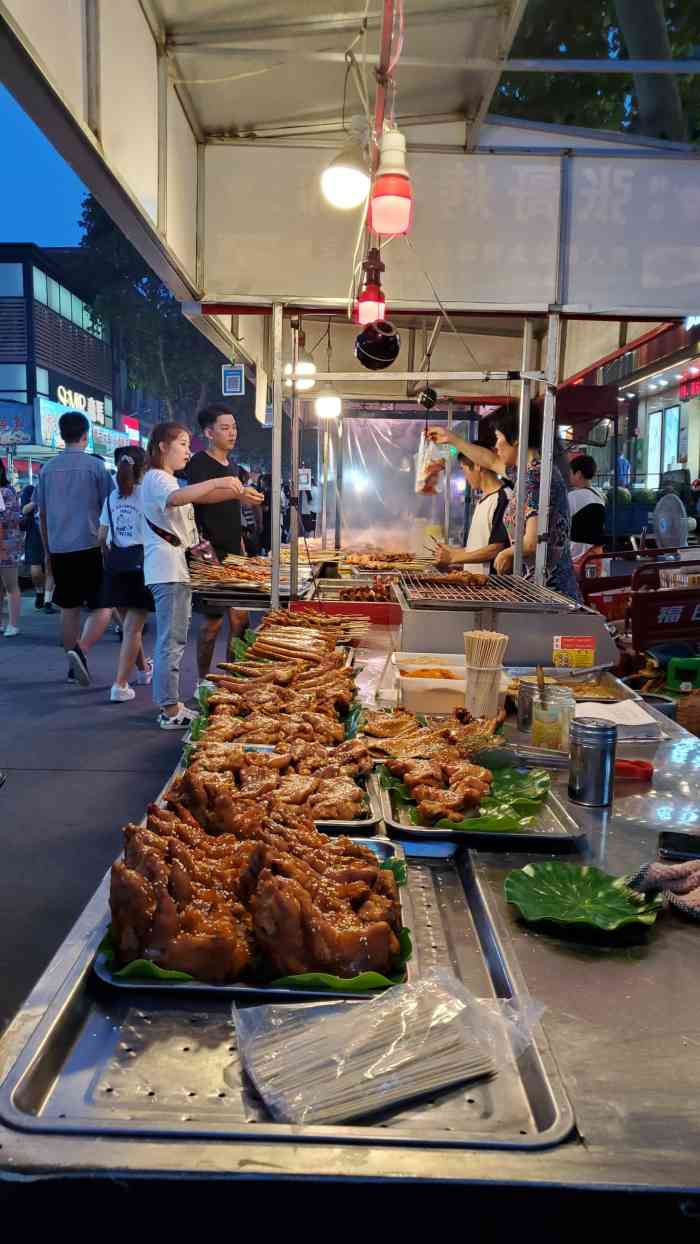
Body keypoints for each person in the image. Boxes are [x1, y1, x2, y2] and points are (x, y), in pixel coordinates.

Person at [143, 421, 245, 728]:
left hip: (177, 569)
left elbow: (196, 499)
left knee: (174, 639)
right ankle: (170, 709)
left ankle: (171, 704)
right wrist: (218, 482)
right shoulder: (157, 478)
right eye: (183, 444)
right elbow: (178, 498)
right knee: (171, 641)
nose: (188, 451)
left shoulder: (170, 480)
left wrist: (235, 492)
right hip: (167, 569)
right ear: (163, 446)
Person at [429, 406, 580, 600]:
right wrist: (452, 439)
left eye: (499, 437)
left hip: (549, 593)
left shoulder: (535, 478)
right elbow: (490, 461)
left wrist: (505, 554)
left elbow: (532, 542)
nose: (496, 445)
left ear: (515, 440)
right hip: (534, 590)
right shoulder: (527, 472)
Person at [184, 406, 262, 679]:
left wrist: (241, 547)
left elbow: (233, 512)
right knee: (212, 624)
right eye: (225, 428)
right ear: (209, 433)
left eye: (234, 427)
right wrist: (236, 495)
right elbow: (196, 497)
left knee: (240, 620)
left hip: (233, 552)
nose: (232, 433)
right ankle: (203, 680)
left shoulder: (233, 467)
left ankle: (230, 679)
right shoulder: (198, 464)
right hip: (207, 553)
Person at [36, 412, 114, 682]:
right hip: (91, 545)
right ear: (85, 435)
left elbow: (42, 515)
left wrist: (47, 552)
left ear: (61, 435)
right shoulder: (96, 468)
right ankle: (81, 651)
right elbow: (110, 509)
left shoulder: (46, 470)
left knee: (68, 608)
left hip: (59, 548)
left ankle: (72, 669)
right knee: (104, 605)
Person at [98, 445, 154, 703]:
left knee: (131, 627)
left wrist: (109, 559)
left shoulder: (112, 498)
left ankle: (143, 671)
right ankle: (120, 685)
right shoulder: (147, 495)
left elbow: (101, 537)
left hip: (116, 566)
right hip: (141, 566)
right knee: (133, 629)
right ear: (144, 468)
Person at [434, 452, 510, 575]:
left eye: (464, 470)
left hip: (491, 583)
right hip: (474, 582)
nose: (465, 477)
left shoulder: (503, 498)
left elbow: (496, 549)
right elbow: (479, 547)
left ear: (477, 465)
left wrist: (453, 557)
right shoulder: (483, 499)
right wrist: (454, 552)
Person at [19, 483, 57, 613]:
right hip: (34, 532)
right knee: (36, 570)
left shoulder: (55, 488)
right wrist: (37, 500)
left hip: (53, 531)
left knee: (50, 566)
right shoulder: (30, 490)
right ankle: (40, 592)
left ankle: (47, 600)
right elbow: (24, 510)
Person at [567, 453, 606, 562]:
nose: (569, 476)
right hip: (596, 556)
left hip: (577, 557)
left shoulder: (573, 497)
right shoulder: (599, 495)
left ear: (578, 474)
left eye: (571, 473)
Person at [0, 461, 22, 636]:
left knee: (10, 585)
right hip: (8, 543)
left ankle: (13, 624)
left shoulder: (7, 492)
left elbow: (12, 517)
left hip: (7, 544)